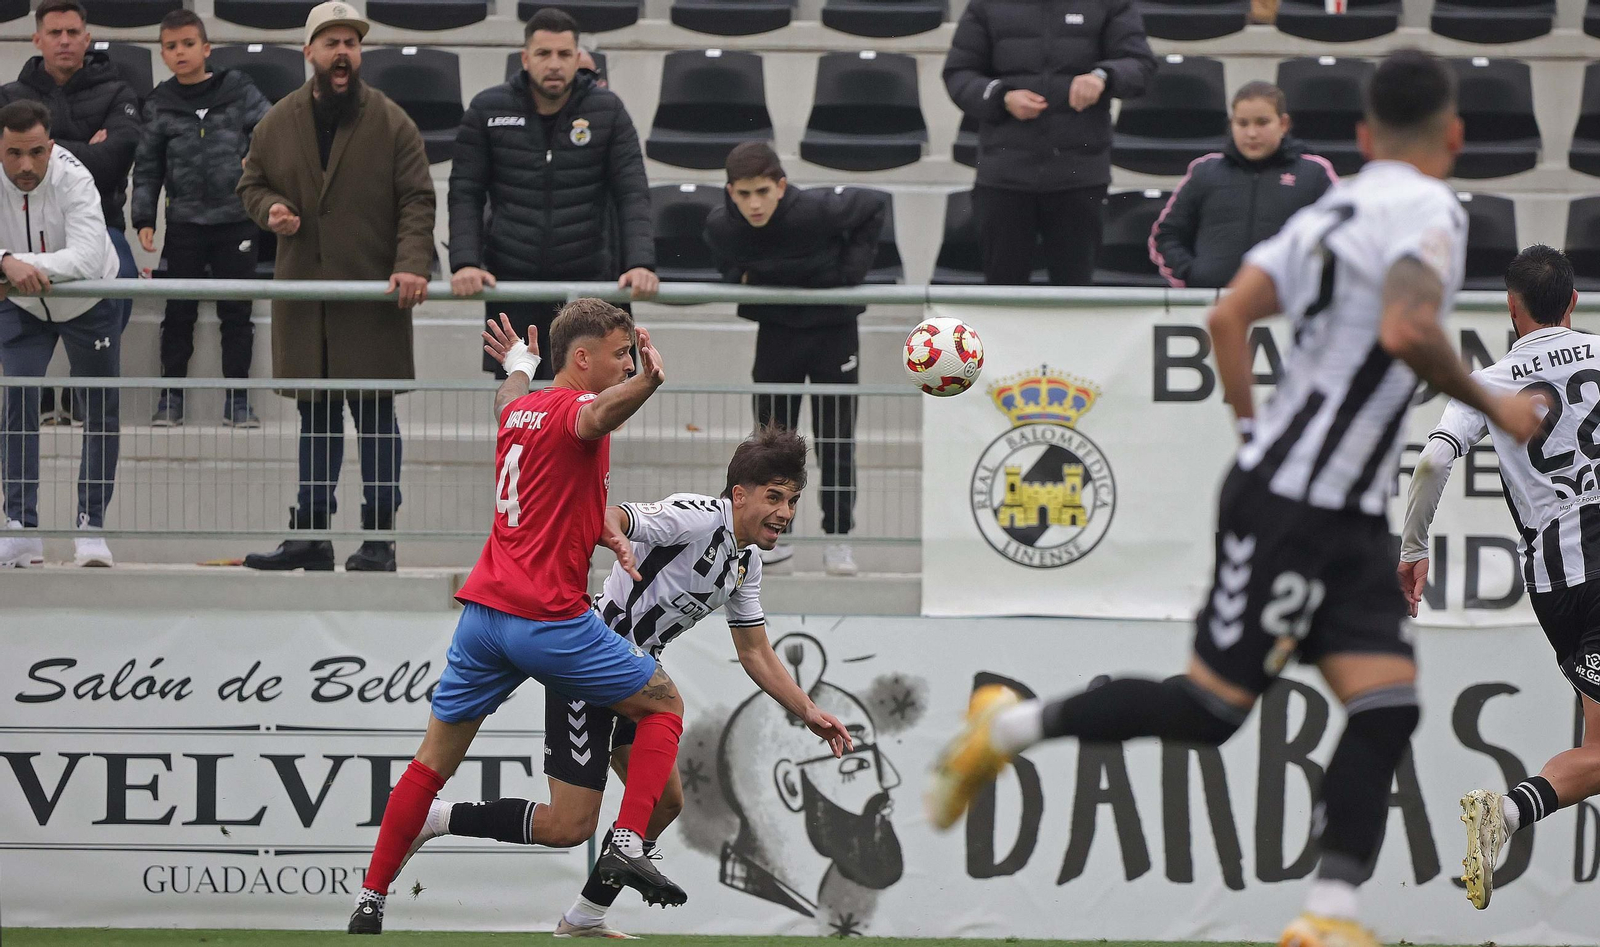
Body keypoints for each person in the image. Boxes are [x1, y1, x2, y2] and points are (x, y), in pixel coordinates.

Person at [926, 49, 1545, 947]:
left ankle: (1326, 918)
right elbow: (1410, 326)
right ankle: (1008, 723)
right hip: (1299, 505)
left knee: (1388, 704)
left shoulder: (1326, 209)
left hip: (1331, 507)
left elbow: (1226, 316)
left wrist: (1253, 428)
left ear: (1364, 138)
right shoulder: (1428, 209)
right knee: (1214, 710)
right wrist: (1496, 403)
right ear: (1453, 136)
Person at [400, 426, 853, 938]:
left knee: (666, 803)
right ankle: (437, 817)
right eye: (775, 497)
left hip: (635, 682)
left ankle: (584, 917)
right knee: (569, 827)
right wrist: (615, 535)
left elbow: (754, 649)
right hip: (589, 664)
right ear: (739, 494)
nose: (785, 513)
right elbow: (617, 516)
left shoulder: (745, 562)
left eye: (792, 501)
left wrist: (808, 711)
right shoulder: (698, 516)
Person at [348, 302, 688, 934]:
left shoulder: (520, 408)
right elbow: (594, 417)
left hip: (483, 618)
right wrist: (649, 383)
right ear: (582, 358)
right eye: (620, 353)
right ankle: (630, 843)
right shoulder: (574, 411)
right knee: (663, 705)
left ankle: (370, 899)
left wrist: (517, 366)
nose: (626, 362)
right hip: (549, 623)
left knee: (430, 763)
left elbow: (522, 417)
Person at [1398, 245, 1600, 912]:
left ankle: (1507, 814)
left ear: (1512, 311)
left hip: (1556, 578)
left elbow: (1432, 462)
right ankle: (1506, 814)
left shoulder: (1489, 380)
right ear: (1573, 302)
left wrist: (1413, 547)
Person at [236, 0, 435, 573]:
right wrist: (269, 207)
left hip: (374, 303)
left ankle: (380, 542)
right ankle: (311, 537)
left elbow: (418, 201)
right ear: (310, 53)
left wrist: (412, 262)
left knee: (376, 423)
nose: (342, 52)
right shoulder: (277, 121)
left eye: (351, 42)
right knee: (315, 424)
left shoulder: (393, 121)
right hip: (307, 303)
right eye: (331, 43)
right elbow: (250, 183)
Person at [703, 142, 886, 576]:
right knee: (769, 444)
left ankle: (838, 538)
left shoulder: (817, 210)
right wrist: (742, 277)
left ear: (781, 186)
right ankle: (769, 539)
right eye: (743, 194)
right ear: (730, 192)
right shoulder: (721, 226)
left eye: (763, 191)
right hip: (777, 333)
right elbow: (726, 260)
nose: (754, 203)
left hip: (833, 332)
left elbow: (875, 204)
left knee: (836, 440)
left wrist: (848, 275)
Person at [448, 8, 655, 380]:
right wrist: (465, 261)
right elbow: (465, 191)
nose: (554, 64)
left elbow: (632, 191)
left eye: (564, 54)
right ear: (525, 59)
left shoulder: (608, 111)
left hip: (593, 287)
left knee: (596, 412)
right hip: (514, 285)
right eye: (544, 54)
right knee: (524, 413)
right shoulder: (486, 109)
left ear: (578, 58)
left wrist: (640, 262)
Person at [942, 0, 1155, 286]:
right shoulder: (986, 4)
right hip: (1004, 178)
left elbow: (1140, 64)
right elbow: (959, 72)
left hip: (1079, 177)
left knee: (1074, 294)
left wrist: (1103, 76)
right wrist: (1001, 97)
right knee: (1003, 294)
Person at [1, 0, 140, 425]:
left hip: (101, 224)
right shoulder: (9, 96)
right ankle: (35, 385)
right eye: (55, 33)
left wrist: (53, 150)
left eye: (73, 32)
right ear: (37, 38)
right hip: (21, 230)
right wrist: (85, 148)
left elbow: (115, 160)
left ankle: (86, 383)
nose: (64, 41)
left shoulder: (119, 90)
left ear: (87, 37)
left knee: (122, 277)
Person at [132, 9, 271, 428]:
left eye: (188, 44)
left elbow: (272, 127)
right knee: (178, 314)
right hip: (185, 224)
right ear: (162, 54)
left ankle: (239, 400)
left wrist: (257, 156)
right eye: (171, 47)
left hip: (237, 220)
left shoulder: (238, 89)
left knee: (237, 314)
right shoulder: (159, 102)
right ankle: (171, 397)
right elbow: (147, 167)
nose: (180, 52)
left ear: (206, 49)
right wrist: (144, 217)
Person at [0, 100, 124, 569]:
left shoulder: (75, 178)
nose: (26, 165)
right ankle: (21, 530)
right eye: (13, 154)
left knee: (100, 412)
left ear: (51, 146)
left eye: (36, 152)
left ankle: (90, 529)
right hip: (21, 304)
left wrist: (13, 264)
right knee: (17, 407)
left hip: (87, 302)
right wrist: (5, 260)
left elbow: (89, 258)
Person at [1150, 82, 1338, 289]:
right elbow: (1166, 235)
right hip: (1209, 306)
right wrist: (1192, 274)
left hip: (1288, 309)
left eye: (1262, 122)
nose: (1251, 133)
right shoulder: (1204, 171)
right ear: (1231, 124)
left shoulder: (1314, 173)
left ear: (1283, 124)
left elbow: (1341, 237)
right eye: (1242, 123)